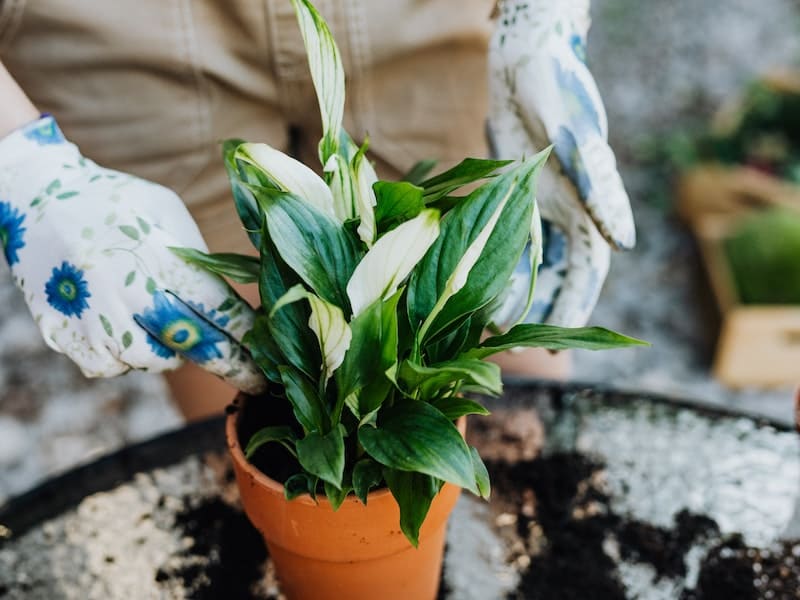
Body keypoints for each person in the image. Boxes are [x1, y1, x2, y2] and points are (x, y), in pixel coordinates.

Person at [0, 0, 633, 420]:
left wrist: (543, 14)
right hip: (113, 27)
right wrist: (21, 162)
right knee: (248, 387)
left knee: (503, 389)